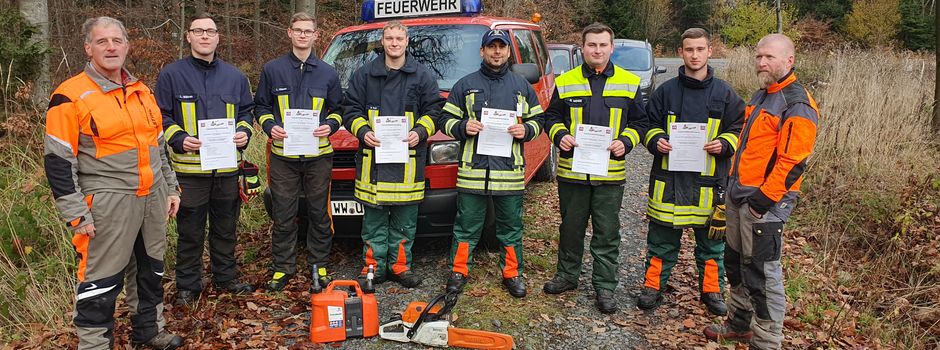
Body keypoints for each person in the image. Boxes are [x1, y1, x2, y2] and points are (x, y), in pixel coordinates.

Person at [43, 16, 183, 349]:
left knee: (151, 272)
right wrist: (76, 213)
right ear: (88, 48)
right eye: (102, 42)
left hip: (152, 197)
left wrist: (172, 187)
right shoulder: (69, 96)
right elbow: (58, 162)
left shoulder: (142, 91)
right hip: (107, 202)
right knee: (100, 281)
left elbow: (158, 147)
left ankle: (149, 331)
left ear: (126, 46)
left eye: (117, 41)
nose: (111, 47)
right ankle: (94, 344)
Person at [703, 34, 819, 350]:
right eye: (758, 57)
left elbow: (793, 163)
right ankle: (739, 325)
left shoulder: (797, 103)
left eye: (769, 57)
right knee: (736, 263)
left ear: (789, 61)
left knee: (763, 274)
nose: (762, 63)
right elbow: (746, 147)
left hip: (763, 205)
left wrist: (761, 202)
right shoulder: (761, 94)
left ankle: (767, 341)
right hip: (740, 195)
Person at [541, 22, 648, 314]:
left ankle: (605, 286)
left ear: (611, 48)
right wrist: (561, 136)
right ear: (583, 47)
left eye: (603, 45)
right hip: (573, 173)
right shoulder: (566, 81)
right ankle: (566, 276)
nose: (597, 50)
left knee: (607, 232)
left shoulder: (629, 82)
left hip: (610, 174)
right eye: (592, 45)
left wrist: (625, 142)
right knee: (571, 228)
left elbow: (641, 122)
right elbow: (551, 117)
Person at [637, 28, 744, 315]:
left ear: (710, 51)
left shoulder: (726, 94)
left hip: (709, 185)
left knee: (711, 247)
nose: (694, 55)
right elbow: (648, 124)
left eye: (700, 49)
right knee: (660, 243)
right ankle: (652, 287)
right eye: (689, 49)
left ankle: (711, 291)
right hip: (668, 183)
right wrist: (655, 140)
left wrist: (724, 143)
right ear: (680, 52)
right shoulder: (666, 92)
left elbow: (738, 129)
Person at [155, 13, 255, 305]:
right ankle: (188, 285)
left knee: (226, 228)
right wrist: (179, 138)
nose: (204, 36)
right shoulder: (171, 75)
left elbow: (246, 112)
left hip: (226, 169)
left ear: (217, 37)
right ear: (188, 36)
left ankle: (226, 278)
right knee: (190, 231)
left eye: (210, 31)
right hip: (190, 171)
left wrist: (243, 132)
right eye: (198, 31)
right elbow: (161, 115)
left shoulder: (235, 76)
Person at [439, 29, 544, 298]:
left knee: (510, 228)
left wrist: (526, 131)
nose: (496, 52)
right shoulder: (465, 84)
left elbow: (538, 121)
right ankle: (458, 272)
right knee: (466, 227)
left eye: (501, 47)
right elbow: (445, 121)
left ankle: (512, 274)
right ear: (483, 51)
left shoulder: (521, 86)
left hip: (508, 172)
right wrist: (463, 126)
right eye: (491, 47)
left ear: (509, 52)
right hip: (472, 173)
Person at [342, 21, 444, 290]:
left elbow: (435, 111)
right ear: (382, 42)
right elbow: (350, 109)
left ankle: (400, 267)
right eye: (389, 38)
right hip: (373, 163)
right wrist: (362, 131)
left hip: (407, 164)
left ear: (407, 41)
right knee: (373, 222)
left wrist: (421, 132)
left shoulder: (422, 75)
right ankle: (372, 268)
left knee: (404, 222)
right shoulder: (364, 75)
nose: (394, 43)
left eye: (399, 38)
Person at [254, 12, 344, 292]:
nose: (303, 35)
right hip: (283, 155)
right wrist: (270, 126)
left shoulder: (328, 72)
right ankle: (283, 267)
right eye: (298, 30)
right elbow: (260, 107)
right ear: (289, 33)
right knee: (283, 212)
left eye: (308, 31)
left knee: (318, 212)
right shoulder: (273, 69)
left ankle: (320, 264)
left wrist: (330, 125)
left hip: (318, 155)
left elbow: (339, 110)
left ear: (316, 36)